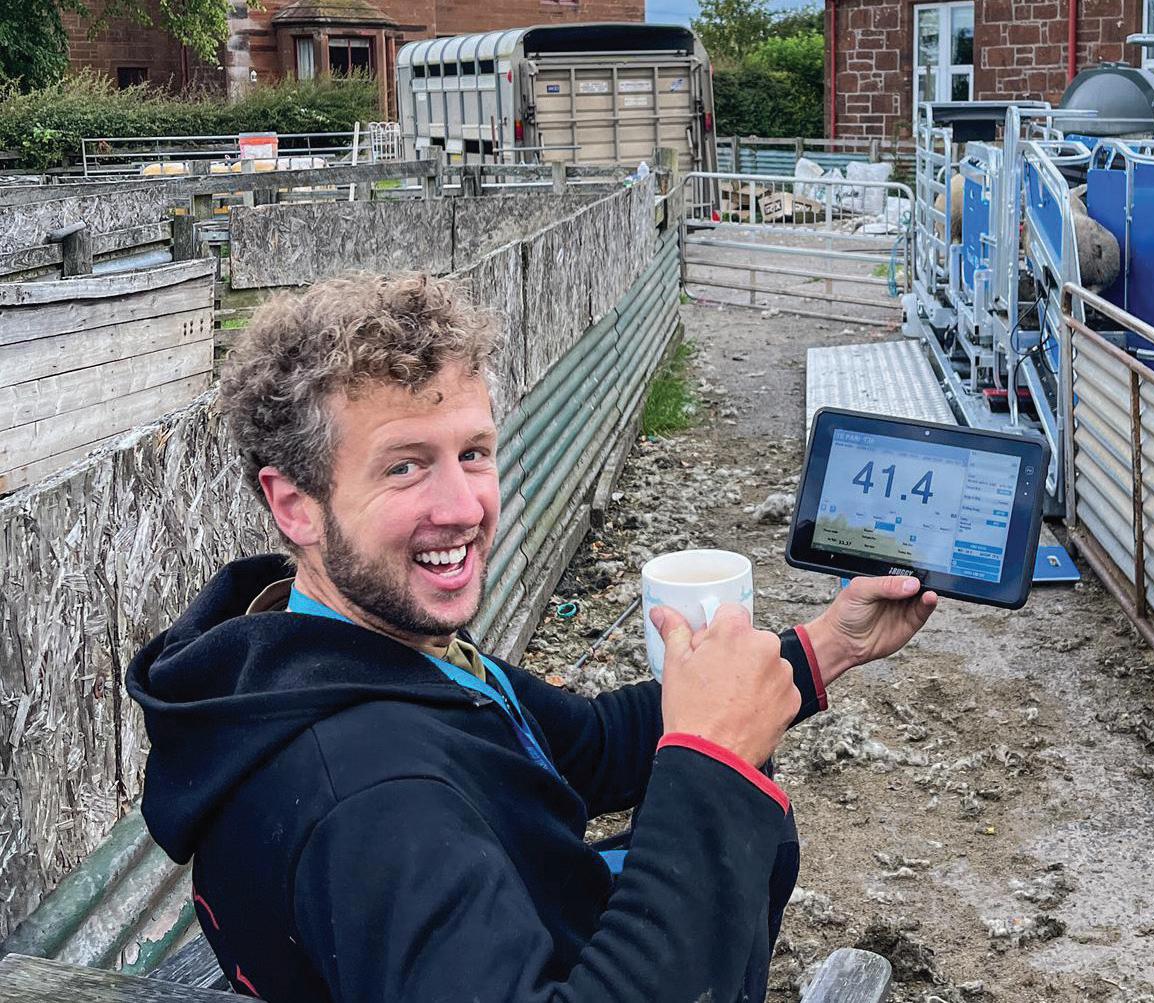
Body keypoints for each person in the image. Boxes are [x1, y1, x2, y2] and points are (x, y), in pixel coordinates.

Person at [127, 273, 938, 1003]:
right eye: (405, 466)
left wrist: (828, 645)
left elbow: (585, 744)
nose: (464, 506)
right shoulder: (378, 803)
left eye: (473, 452)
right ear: (295, 505)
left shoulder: (350, 649)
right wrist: (713, 770)